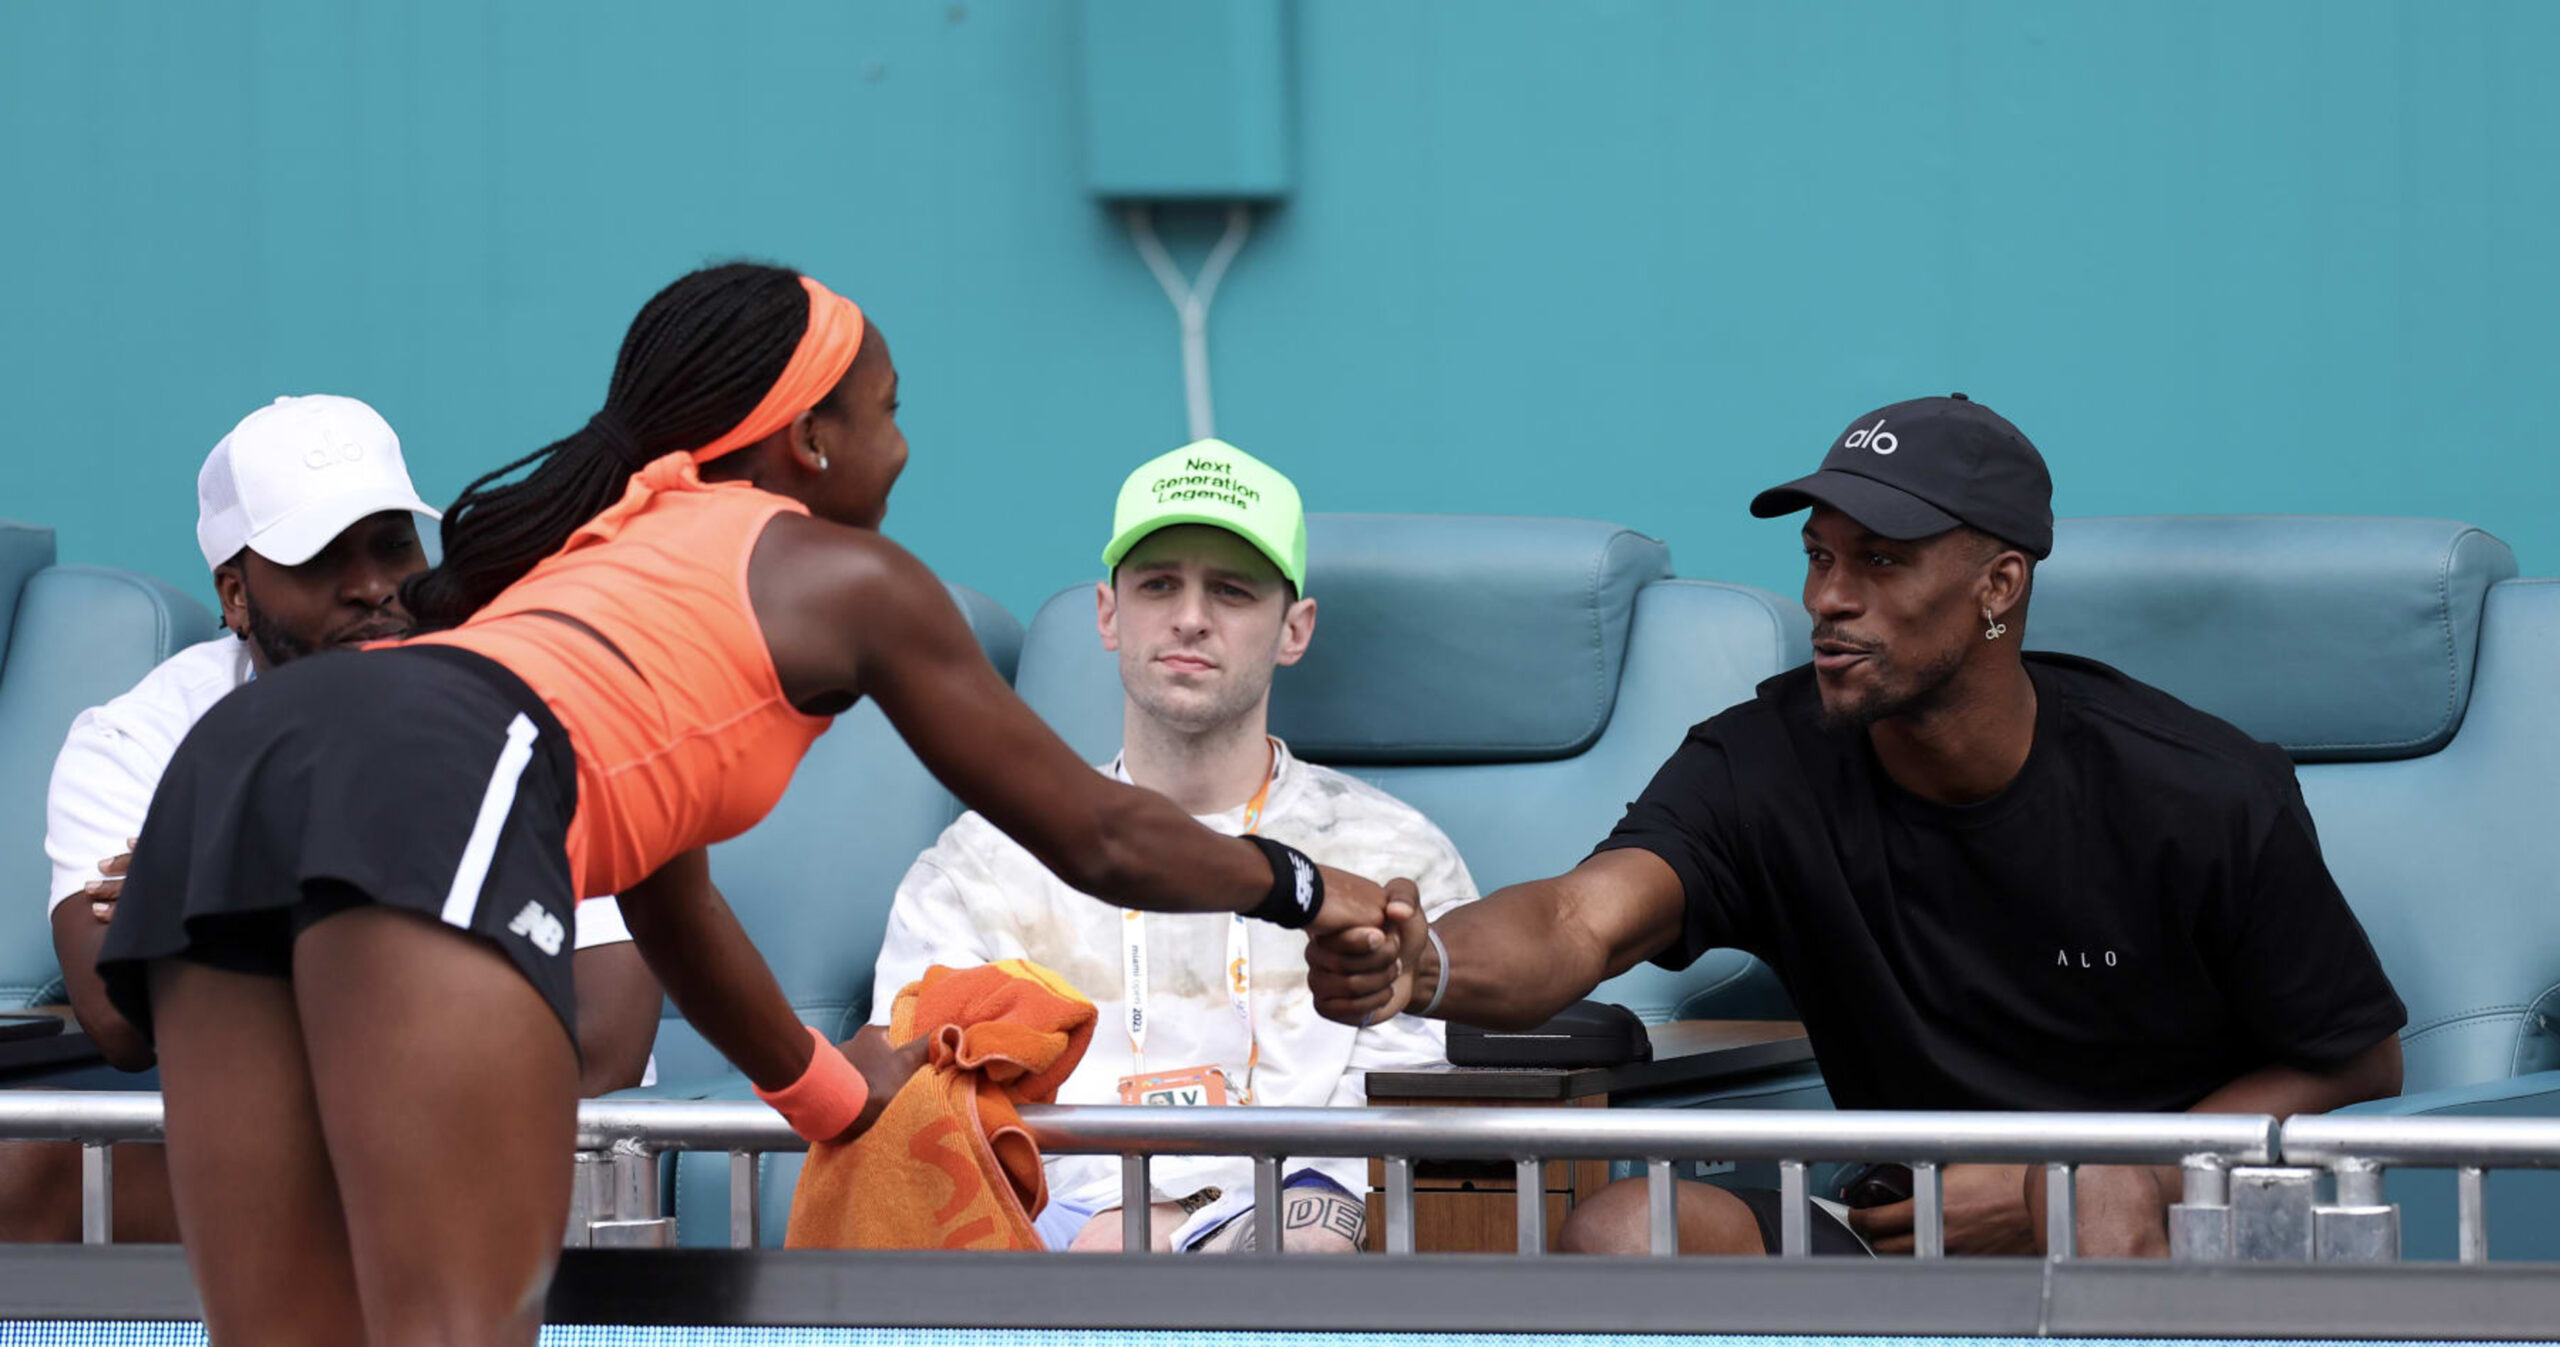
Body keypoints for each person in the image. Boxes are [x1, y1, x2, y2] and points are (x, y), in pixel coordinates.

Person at [97, 264, 1414, 1345]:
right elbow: (1097, 828)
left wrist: (835, 1100)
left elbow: (670, 899)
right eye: (892, 408)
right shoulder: (845, 574)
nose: (905, 444)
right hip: (430, 768)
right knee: (452, 1331)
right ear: (811, 437)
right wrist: (1306, 884)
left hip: (237, 760)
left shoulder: (603, 548)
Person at [1308, 394, 2407, 1258]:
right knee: (1628, 1225)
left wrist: (2060, 1187)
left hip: (2160, 1231)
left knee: (2099, 1196)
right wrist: (1426, 962)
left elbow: (2356, 1061)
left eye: (1880, 561)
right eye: (1820, 557)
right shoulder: (1762, 762)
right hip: (1893, 1231)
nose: (1829, 598)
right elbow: (1577, 920)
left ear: (1998, 587)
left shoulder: (2194, 789)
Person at [1, 396, 660, 1245]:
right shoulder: (140, 737)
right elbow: (119, 1020)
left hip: (521, 1145)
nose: (376, 587)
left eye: (394, 543)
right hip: (292, 1152)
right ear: (236, 595)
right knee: (22, 1173)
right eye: (319, 558)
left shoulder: (526, 701)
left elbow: (603, 1036)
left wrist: (222, 888)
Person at [858, 441, 1479, 1254]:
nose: (1191, 616)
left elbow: (1412, 1115)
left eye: (1231, 589)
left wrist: (1222, 1226)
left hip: (1304, 1256)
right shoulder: (983, 863)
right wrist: (1109, 1220)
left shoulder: (1395, 853)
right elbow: (928, 1102)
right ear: (1108, 614)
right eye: (1158, 584)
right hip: (1048, 1250)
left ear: (1295, 629)